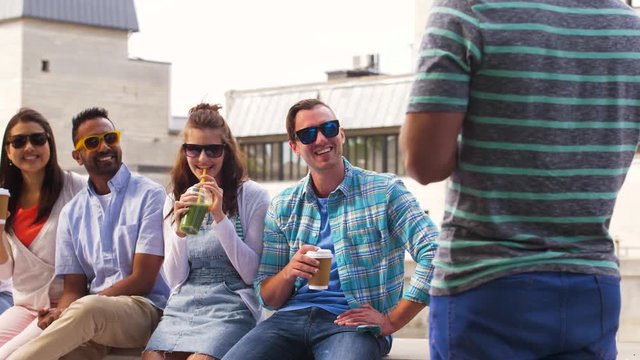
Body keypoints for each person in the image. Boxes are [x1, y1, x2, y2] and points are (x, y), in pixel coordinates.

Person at [400, 1, 640, 359]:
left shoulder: (468, 11)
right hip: (592, 286)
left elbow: (425, 164)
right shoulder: (629, 28)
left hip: (487, 287)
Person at [223, 99, 439, 360]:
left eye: (329, 128)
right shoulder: (284, 205)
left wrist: (392, 321)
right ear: (294, 147)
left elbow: (436, 253)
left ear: (342, 133)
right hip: (289, 320)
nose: (322, 138)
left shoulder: (385, 191)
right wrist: (290, 271)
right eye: (308, 134)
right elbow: (268, 298)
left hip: (352, 324)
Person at [8, 107, 170, 360]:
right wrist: (61, 312)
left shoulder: (150, 194)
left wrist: (80, 307)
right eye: (92, 142)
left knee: (89, 307)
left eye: (110, 138)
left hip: (143, 310)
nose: (104, 146)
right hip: (89, 319)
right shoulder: (72, 212)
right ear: (78, 155)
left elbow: (144, 278)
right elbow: (73, 289)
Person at [143, 103, 270, 360]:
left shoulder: (253, 196)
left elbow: (251, 275)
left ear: (227, 151)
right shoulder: (175, 198)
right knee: (152, 357)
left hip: (233, 304)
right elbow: (176, 279)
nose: (203, 159)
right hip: (185, 303)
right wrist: (179, 234)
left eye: (213, 150)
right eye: (194, 149)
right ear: (184, 152)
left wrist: (220, 216)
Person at [0, 108, 85, 358]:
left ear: (50, 143)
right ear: (7, 151)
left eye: (38, 139)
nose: (29, 147)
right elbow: (6, 274)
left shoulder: (76, 187)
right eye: (19, 141)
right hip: (25, 305)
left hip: (65, 307)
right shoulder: (6, 199)